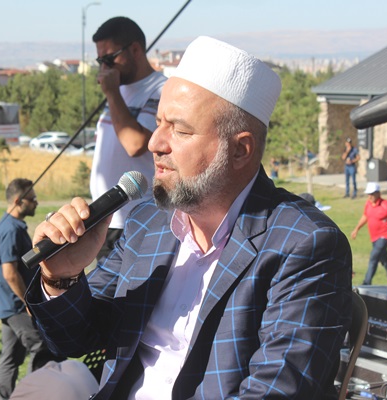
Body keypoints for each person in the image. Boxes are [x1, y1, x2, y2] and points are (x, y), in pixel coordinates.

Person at [26, 36, 352, 399]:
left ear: (240, 150)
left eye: (180, 130)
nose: (154, 143)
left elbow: (278, 389)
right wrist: (63, 277)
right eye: (158, 123)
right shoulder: (148, 222)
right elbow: (76, 338)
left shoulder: (304, 244)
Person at [90, 16, 167, 260]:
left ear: (135, 50)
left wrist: (112, 93)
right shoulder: (118, 90)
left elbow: (135, 144)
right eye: (100, 61)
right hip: (106, 220)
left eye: (109, 58)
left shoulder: (160, 90)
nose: (105, 68)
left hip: (136, 221)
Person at [0, 178, 55, 400]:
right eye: (32, 199)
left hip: (7, 305)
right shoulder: (10, 231)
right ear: (18, 201)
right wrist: (27, 302)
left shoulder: (11, 225)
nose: (36, 202)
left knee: (11, 356)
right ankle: (32, 395)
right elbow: (10, 273)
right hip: (16, 305)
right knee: (41, 347)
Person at [351, 182, 387, 285]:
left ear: (378, 193)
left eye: (372, 194)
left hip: (385, 236)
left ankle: (366, 282)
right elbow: (365, 216)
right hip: (374, 237)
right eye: (369, 194)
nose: (370, 196)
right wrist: (356, 229)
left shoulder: (386, 205)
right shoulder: (368, 204)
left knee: (373, 257)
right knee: (384, 260)